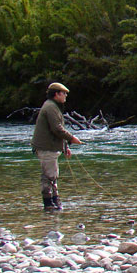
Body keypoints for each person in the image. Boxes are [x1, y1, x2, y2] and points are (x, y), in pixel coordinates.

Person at [31, 82, 84, 210]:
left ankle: (54, 203)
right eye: (63, 93)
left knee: (53, 175)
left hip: (50, 147)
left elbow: (58, 130)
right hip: (46, 148)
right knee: (49, 176)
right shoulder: (50, 107)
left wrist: (66, 147)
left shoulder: (53, 106)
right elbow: (57, 129)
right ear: (56, 94)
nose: (65, 95)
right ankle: (49, 205)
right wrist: (72, 138)